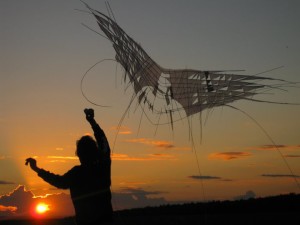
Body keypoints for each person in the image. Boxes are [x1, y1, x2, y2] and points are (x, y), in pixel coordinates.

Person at [25, 108, 113, 225]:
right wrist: (92, 122)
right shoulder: (103, 167)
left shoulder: (77, 173)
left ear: (79, 155)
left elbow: (58, 181)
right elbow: (104, 143)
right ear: (96, 152)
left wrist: (36, 169)